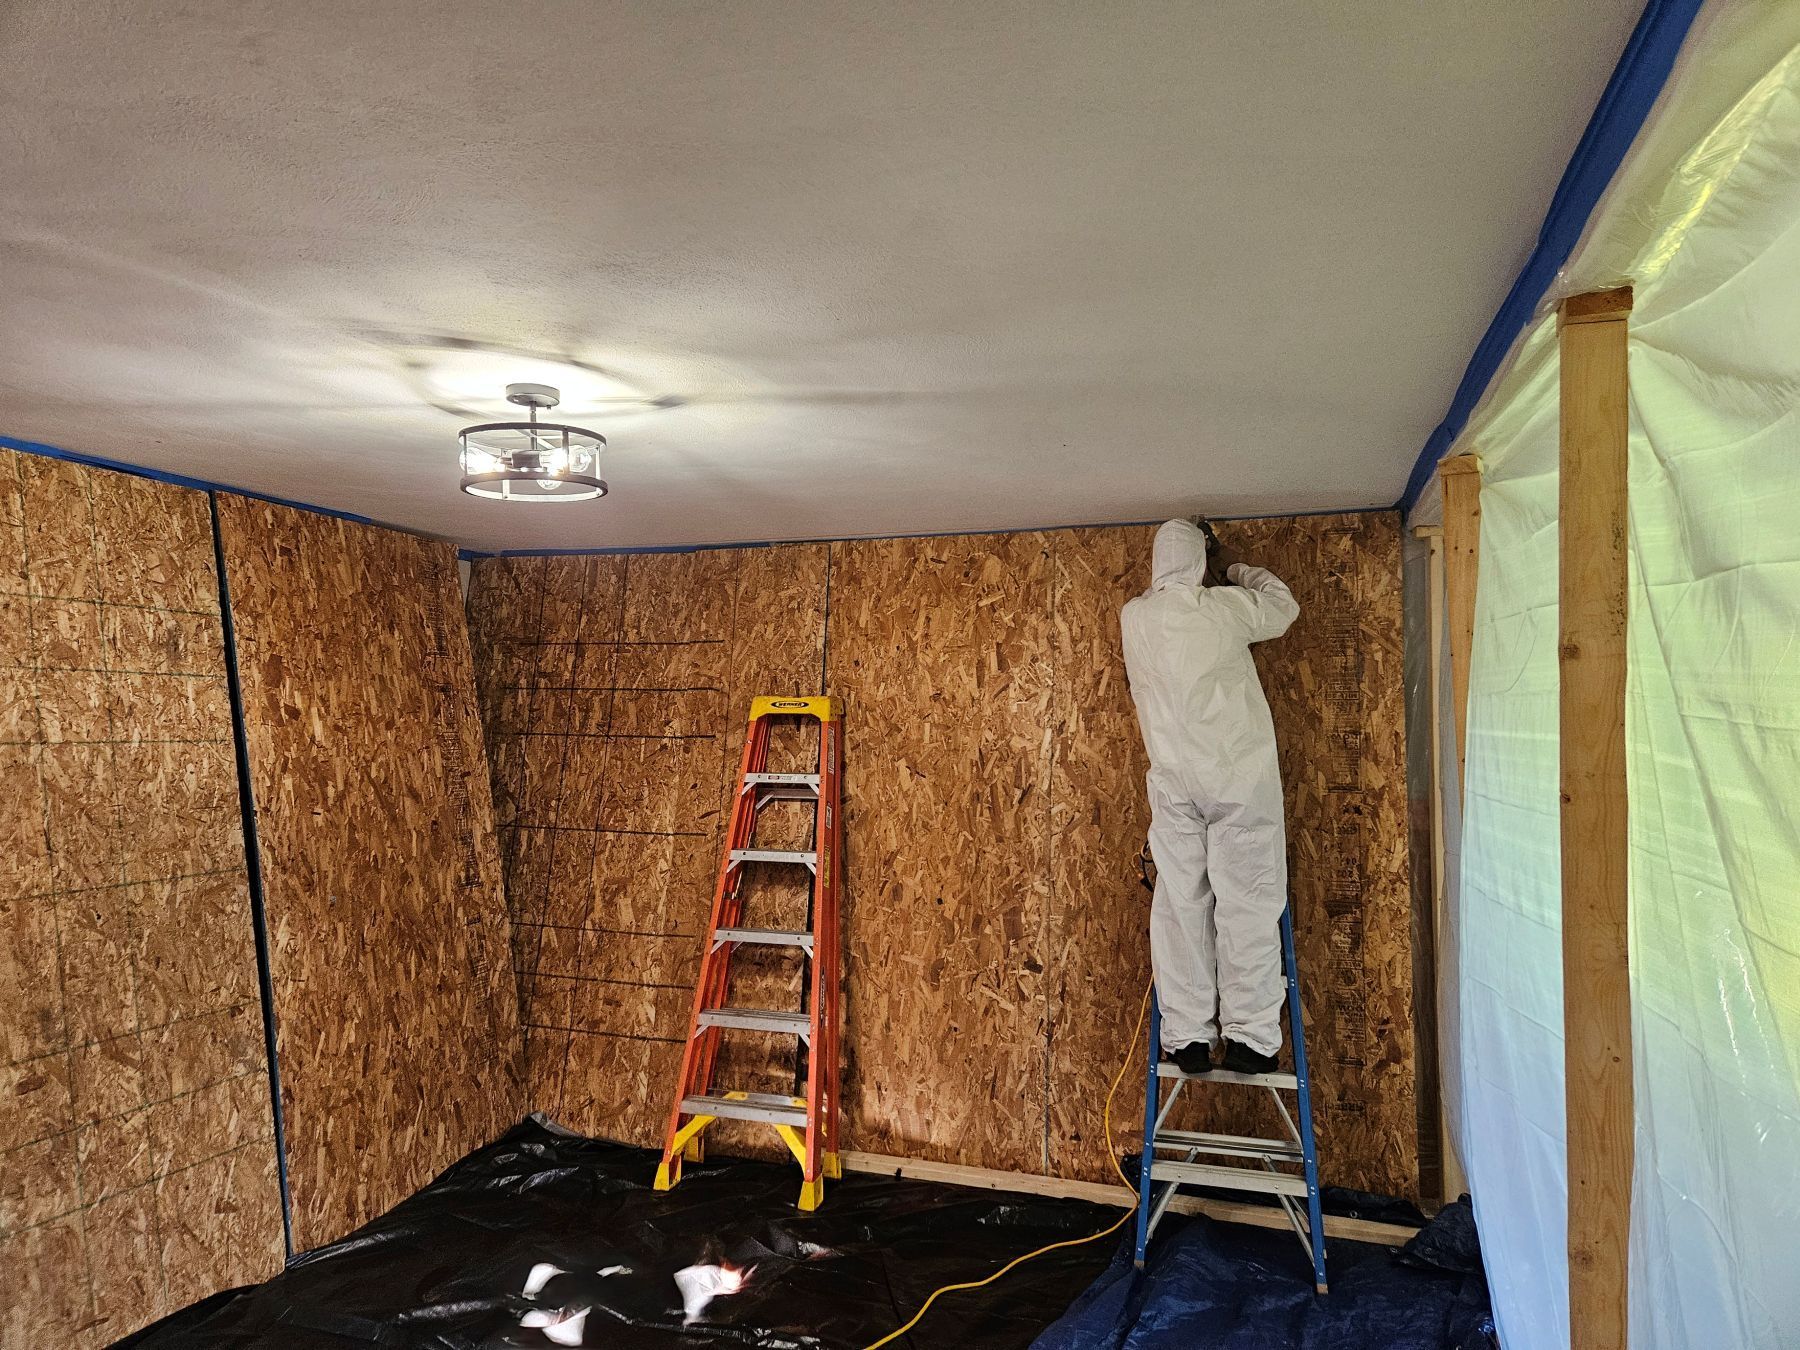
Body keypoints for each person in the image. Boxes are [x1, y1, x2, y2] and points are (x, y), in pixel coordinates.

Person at [1120, 519, 1299, 1076]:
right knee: (1247, 902)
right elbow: (1282, 606)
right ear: (1199, 560)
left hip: (1174, 782)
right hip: (1236, 777)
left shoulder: (1136, 617)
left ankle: (1188, 1037)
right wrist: (1236, 569)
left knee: (1180, 906)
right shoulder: (1221, 607)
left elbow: (1160, 595)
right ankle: (1252, 1039)